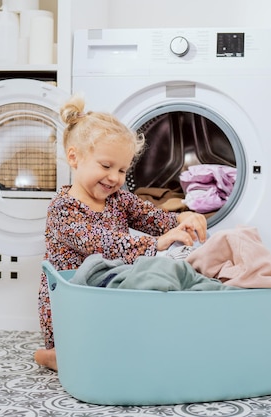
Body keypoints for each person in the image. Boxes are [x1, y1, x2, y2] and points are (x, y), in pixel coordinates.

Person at [34, 93, 208, 370]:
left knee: (127, 339)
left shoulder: (119, 200)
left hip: (111, 289)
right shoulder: (63, 209)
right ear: (74, 157)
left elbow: (152, 216)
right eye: (106, 166)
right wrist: (156, 246)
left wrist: (182, 220)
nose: (114, 177)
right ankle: (52, 354)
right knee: (90, 351)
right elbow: (101, 244)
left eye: (122, 169)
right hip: (74, 300)